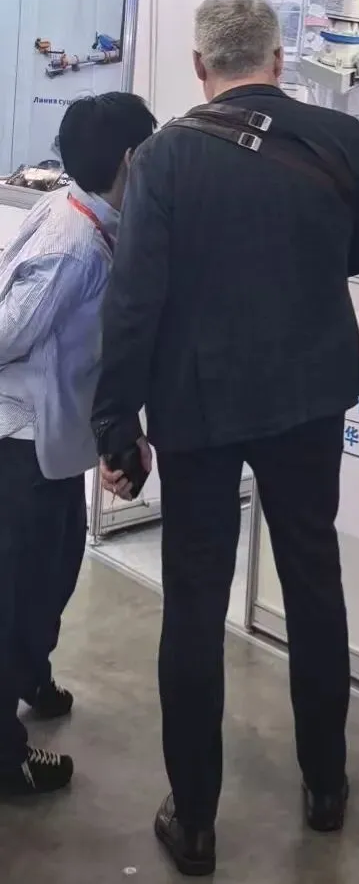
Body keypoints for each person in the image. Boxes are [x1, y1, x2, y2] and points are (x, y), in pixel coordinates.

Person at [91, 0, 359, 878]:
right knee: (315, 583)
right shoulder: (342, 138)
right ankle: (326, 788)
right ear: (279, 59)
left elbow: (134, 301)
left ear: (199, 66)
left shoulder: (165, 157)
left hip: (200, 403)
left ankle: (196, 822)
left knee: (193, 603)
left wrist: (117, 427)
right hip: (309, 393)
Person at [0, 92, 156, 797]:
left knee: (56, 567)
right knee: (18, 590)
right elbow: (8, 332)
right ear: (130, 158)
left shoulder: (82, 215)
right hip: (23, 443)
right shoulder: (75, 242)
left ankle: (30, 672)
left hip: (51, 441)